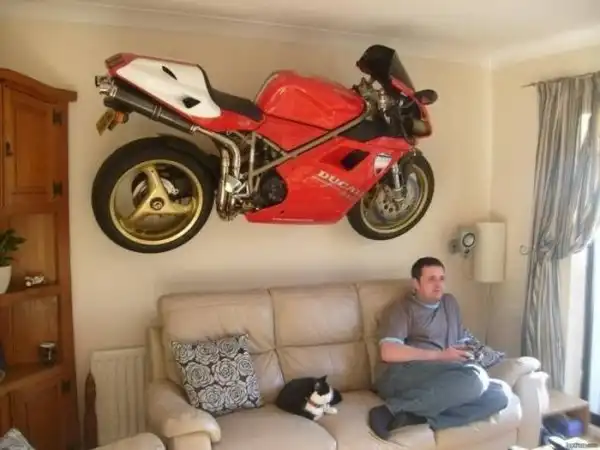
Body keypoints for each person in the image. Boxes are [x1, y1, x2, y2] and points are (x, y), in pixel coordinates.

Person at [368, 257, 510, 440]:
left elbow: (460, 340)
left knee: (500, 394)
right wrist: (440, 356)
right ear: (416, 283)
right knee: (475, 378)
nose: (438, 285)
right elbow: (388, 352)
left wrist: (475, 355)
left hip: (442, 374)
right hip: (401, 373)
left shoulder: (449, 303)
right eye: (431, 279)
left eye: (441, 279)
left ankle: (415, 416)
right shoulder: (402, 308)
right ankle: (389, 411)